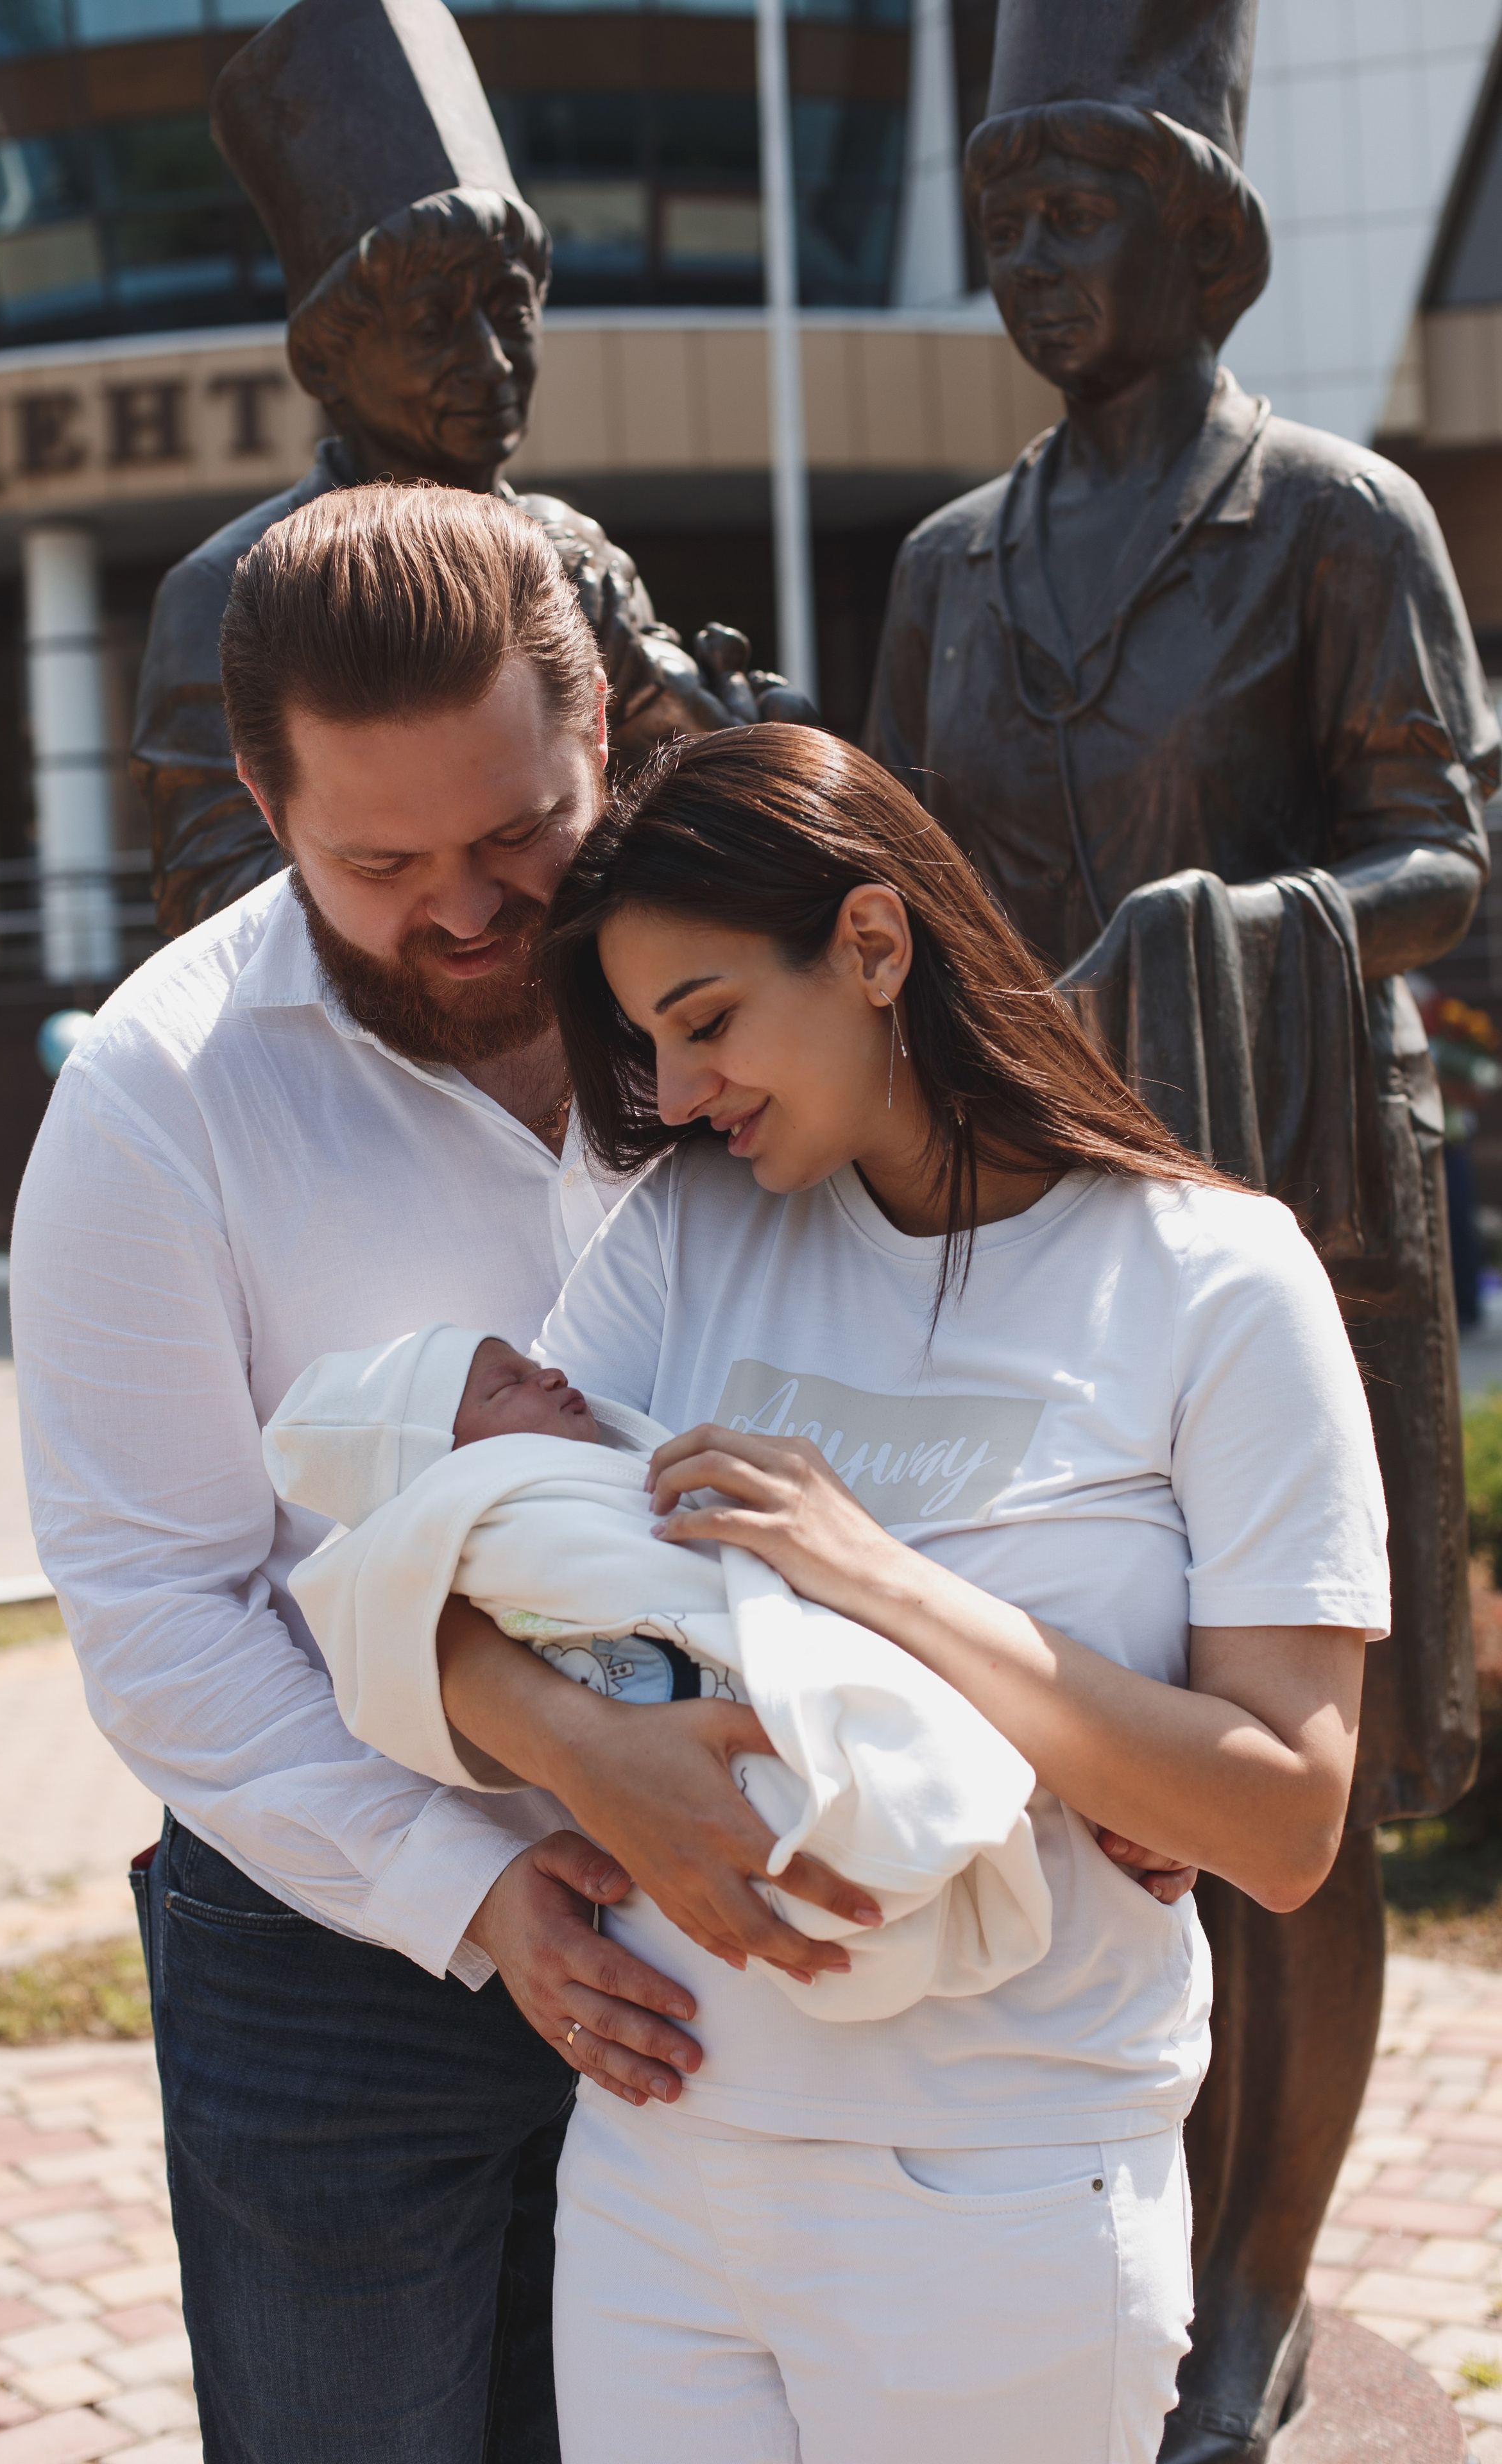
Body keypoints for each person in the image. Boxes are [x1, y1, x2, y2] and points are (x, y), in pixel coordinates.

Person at [10, 485, 867, 2464]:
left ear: (601, 732)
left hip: (757, 1911)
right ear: (261, 791)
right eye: (380, 860)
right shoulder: (159, 1098)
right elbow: (155, 1608)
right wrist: (482, 1887)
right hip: (330, 1954)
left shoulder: (774, 990)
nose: (470, 909)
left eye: (517, 835)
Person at [422, 724, 1390, 2464]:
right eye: (651, 1043)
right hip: (663, 2172)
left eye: (708, 1019)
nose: (686, 1088)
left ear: (874, 945)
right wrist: (585, 1754)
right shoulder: (687, 1239)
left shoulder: (1214, 1283)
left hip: (997, 2189)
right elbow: (444, 1598)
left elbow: (1287, 1820)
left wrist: (883, 1581)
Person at [863, 1, 1499, 2442]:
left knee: (1274, 1785)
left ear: (1201, 236)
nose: (1029, 261)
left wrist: (1227, 922)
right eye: (1002, 219)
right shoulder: (944, 563)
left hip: (1290, 1220)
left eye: (1077, 211)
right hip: (1028, 1230)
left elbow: (1440, 858)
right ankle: (1109, 2238)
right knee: (1067, 1737)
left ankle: (1253, 2297)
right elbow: (898, 890)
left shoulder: (1336, 520)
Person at [133, 0, 806, 939]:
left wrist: (736, 763)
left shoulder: (574, 557)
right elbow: (212, 910)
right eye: (431, 324)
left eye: (511, 309)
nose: (492, 363)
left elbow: (665, 829)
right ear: (326, 360)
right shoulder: (224, 593)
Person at [260, 1323, 1052, 2023]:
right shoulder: (498, 1515)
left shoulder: (590, 1477)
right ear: (443, 1466)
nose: (550, 1376)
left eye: (532, 1364)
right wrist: (581, 1741)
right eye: (508, 1386)